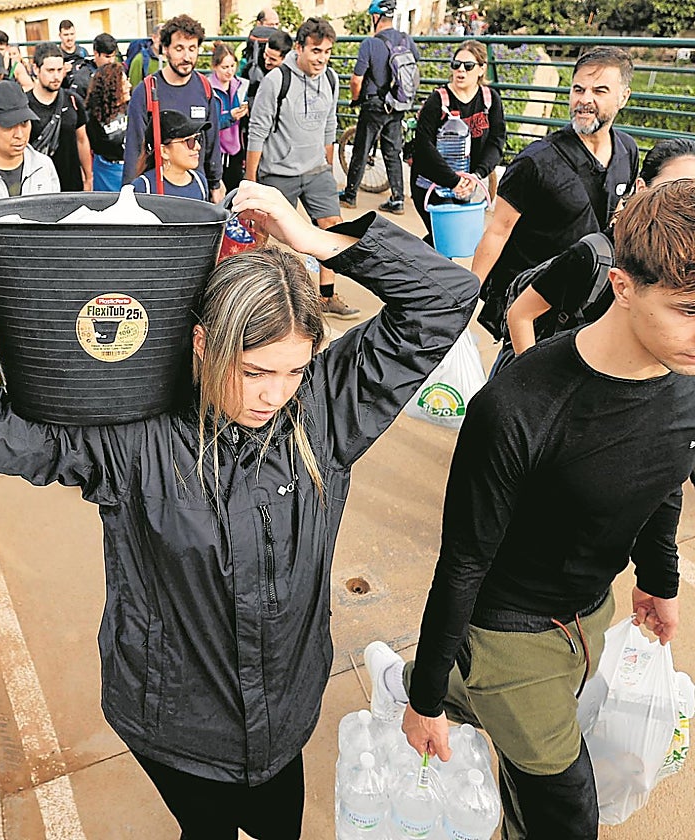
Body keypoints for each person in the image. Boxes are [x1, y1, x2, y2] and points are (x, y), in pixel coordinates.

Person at [0, 176, 478, 840]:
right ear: (204, 344)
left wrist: (316, 240)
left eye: (293, 371)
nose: (274, 396)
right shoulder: (130, 435)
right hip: (175, 729)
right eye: (254, 372)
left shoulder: (326, 411)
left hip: (287, 714)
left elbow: (447, 298)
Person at [365, 180, 695, 840]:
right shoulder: (518, 408)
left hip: (592, 608)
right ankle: (423, 686)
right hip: (511, 628)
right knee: (566, 814)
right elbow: (462, 564)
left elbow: (666, 467)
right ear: (623, 286)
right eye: (688, 309)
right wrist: (426, 706)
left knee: (518, 730)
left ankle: (412, 679)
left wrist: (659, 580)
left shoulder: (682, 376)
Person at [469, 46, 638, 342]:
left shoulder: (627, 151)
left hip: (586, 303)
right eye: (578, 89)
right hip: (532, 307)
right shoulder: (536, 161)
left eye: (599, 91)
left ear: (623, 97)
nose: (584, 100)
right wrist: (465, 298)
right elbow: (498, 231)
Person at [502, 138, 695, 359]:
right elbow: (521, 314)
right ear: (642, 188)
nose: (685, 202)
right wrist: (535, 374)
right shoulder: (596, 255)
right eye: (673, 188)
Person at [247, 18, 360, 321]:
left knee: (333, 228)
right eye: (315, 51)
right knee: (262, 233)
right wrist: (250, 181)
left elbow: (330, 125)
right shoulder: (276, 80)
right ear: (299, 48)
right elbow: (257, 131)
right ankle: (250, 293)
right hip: (278, 171)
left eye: (327, 52)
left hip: (316, 171)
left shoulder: (331, 79)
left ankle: (327, 295)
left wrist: (328, 166)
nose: (322, 58)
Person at [410, 39, 507, 245]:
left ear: (481, 69)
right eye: (456, 65)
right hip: (431, 183)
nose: (461, 70)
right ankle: (409, 259)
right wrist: (453, 181)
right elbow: (424, 147)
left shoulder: (490, 99)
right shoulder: (438, 100)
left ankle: (408, 257)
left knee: (445, 241)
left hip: (465, 182)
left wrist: (477, 176)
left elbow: (497, 141)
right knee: (446, 240)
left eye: (468, 66)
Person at [121, 15, 223, 201]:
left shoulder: (204, 87)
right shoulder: (146, 90)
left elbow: (212, 139)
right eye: (179, 49)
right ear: (165, 49)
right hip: (157, 193)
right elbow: (134, 148)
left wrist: (215, 184)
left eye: (192, 49)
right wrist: (128, 196)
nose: (187, 57)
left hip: (195, 190)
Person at [340, 0, 421, 215]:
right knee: (392, 151)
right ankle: (397, 200)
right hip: (397, 104)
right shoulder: (406, 39)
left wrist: (355, 99)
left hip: (375, 104)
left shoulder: (370, 43)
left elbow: (356, 80)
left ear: (375, 17)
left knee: (361, 149)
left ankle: (350, 196)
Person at [27, 43, 92, 192]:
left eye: (59, 70)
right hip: (38, 187)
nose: (56, 76)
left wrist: (88, 178)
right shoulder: (24, 105)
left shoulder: (73, 100)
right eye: (50, 70)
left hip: (72, 185)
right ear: (36, 69)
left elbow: (82, 139)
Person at [131, 109, 210, 200]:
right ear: (164, 151)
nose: (198, 147)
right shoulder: (144, 187)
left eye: (198, 138)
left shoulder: (200, 182)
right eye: (189, 141)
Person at [84, 63, 130, 191]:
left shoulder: (133, 107)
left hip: (132, 168)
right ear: (113, 87)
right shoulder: (93, 117)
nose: (129, 86)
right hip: (107, 172)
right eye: (124, 83)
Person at [210, 42, 247, 193]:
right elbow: (210, 124)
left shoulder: (241, 86)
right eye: (225, 67)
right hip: (217, 151)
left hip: (236, 148)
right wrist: (230, 116)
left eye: (232, 66)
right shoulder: (208, 89)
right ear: (215, 66)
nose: (230, 71)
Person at [70, 32, 118, 100]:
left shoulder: (118, 73)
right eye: (107, 57)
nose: (111, 61)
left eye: (113, 56)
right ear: (96, 53)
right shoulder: (82, 78)